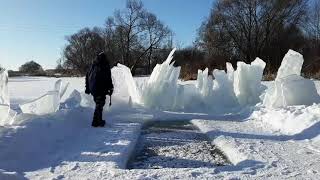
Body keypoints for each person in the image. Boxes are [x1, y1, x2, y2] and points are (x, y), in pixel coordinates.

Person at [85, 52, 113, 127]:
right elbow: (108, 78)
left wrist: (87, 88)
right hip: (100, 88)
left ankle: (98, 120)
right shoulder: (105, 65)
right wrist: (110, 88)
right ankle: (95, 122)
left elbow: (87, 76)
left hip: (93, 87)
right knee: (100, 104)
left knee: (98, 103)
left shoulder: (92, 65)